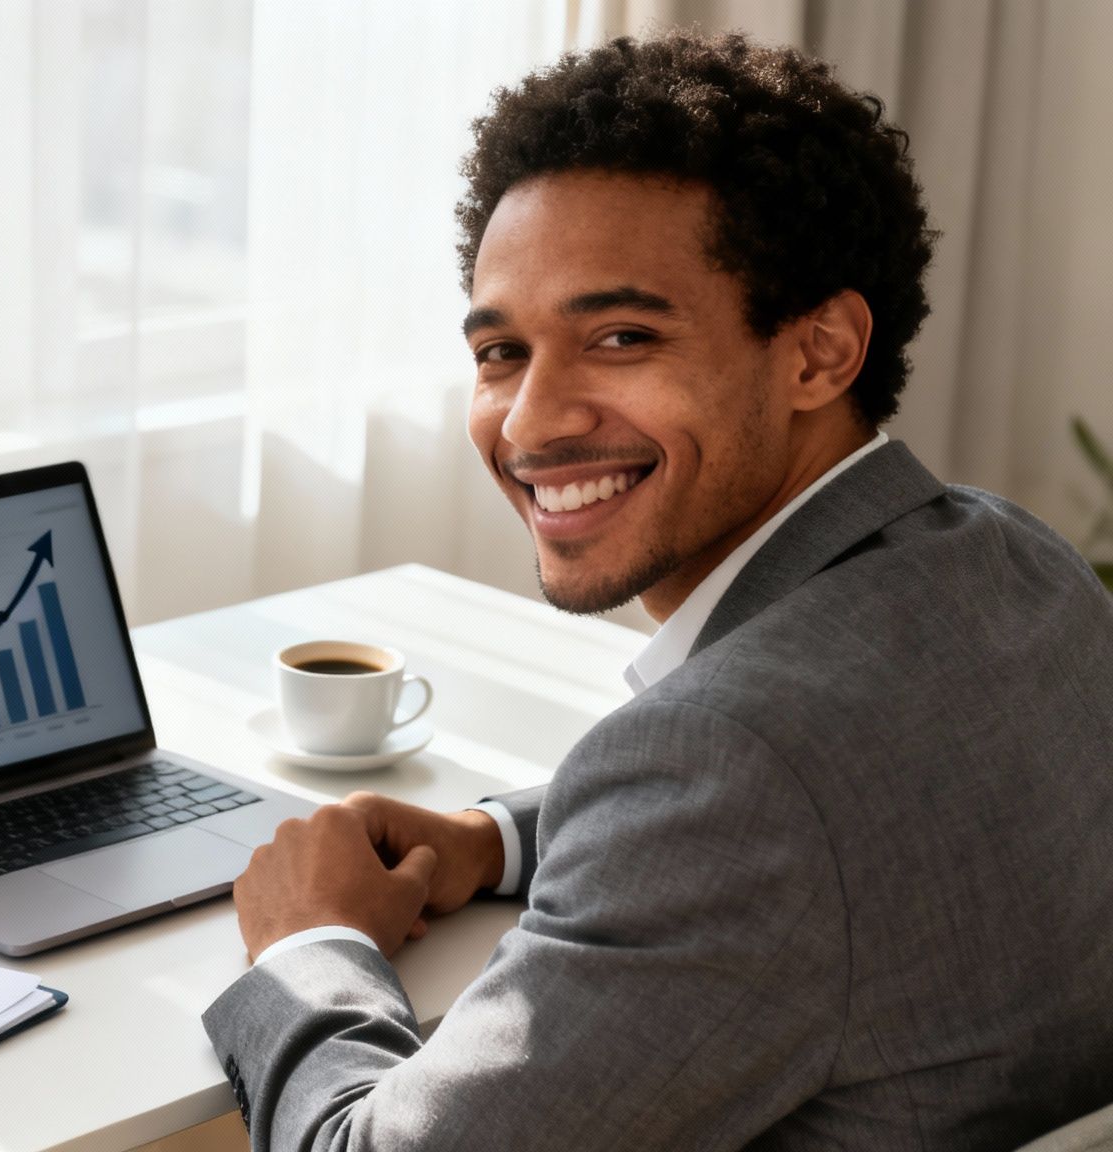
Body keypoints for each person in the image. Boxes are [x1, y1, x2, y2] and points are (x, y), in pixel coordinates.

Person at [203, 29, 1113, 1152]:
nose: (530, 421)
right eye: (500, 353)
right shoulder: (1012, 561)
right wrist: (496, 839)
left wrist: (308, 943)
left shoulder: (728, 763)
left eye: (621, 335)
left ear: (818, 352)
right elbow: (815, 804)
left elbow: (745, 796)